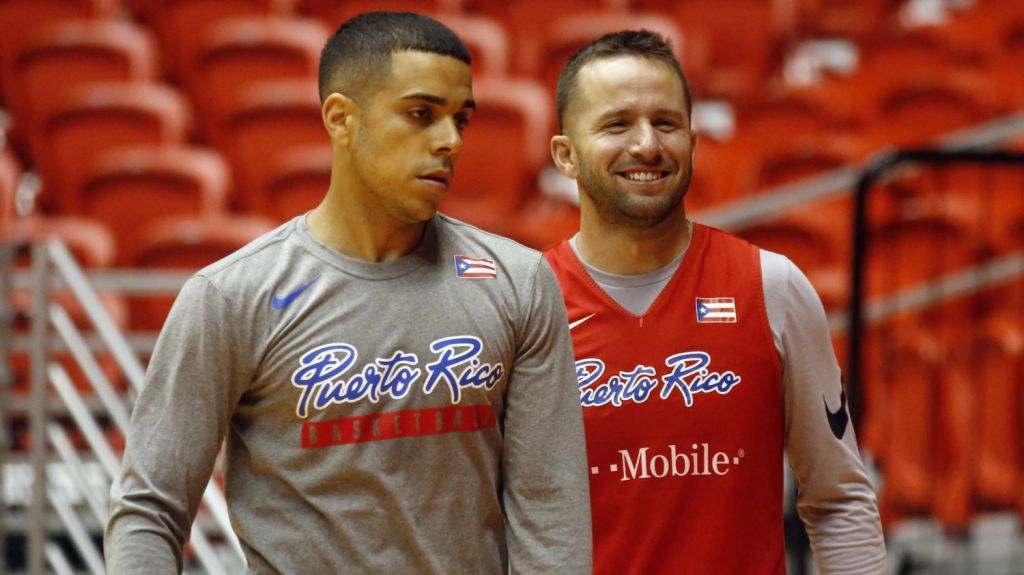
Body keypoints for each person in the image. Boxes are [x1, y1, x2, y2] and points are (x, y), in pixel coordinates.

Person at [105, 12, 592, 574]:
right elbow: (149, 509)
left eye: (461, 119)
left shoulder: (518, 281)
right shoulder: (231, 297)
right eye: (421, 114)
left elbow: (550, 507)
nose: (450, 141)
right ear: (341, 119)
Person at [543, 30, 887, 574]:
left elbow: (839, 498)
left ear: (693, 142)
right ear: (565, 155)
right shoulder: (525, 305)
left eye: (666, 122)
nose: (647, 146)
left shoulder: (773, 287)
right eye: (616, 124)